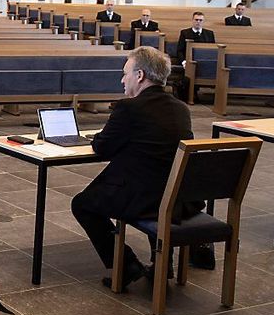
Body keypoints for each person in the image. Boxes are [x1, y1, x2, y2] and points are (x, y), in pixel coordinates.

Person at [70, 46, 194, 290]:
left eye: (125, 73)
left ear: (140, 76)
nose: (122, 79)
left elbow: (103, 148)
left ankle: (126, 266)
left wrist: (99, 137)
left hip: (143, 198)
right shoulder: (181, 109)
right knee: (152, 181)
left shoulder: (129, 108)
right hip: (177, 197)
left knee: (82, 204)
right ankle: (162, 264)